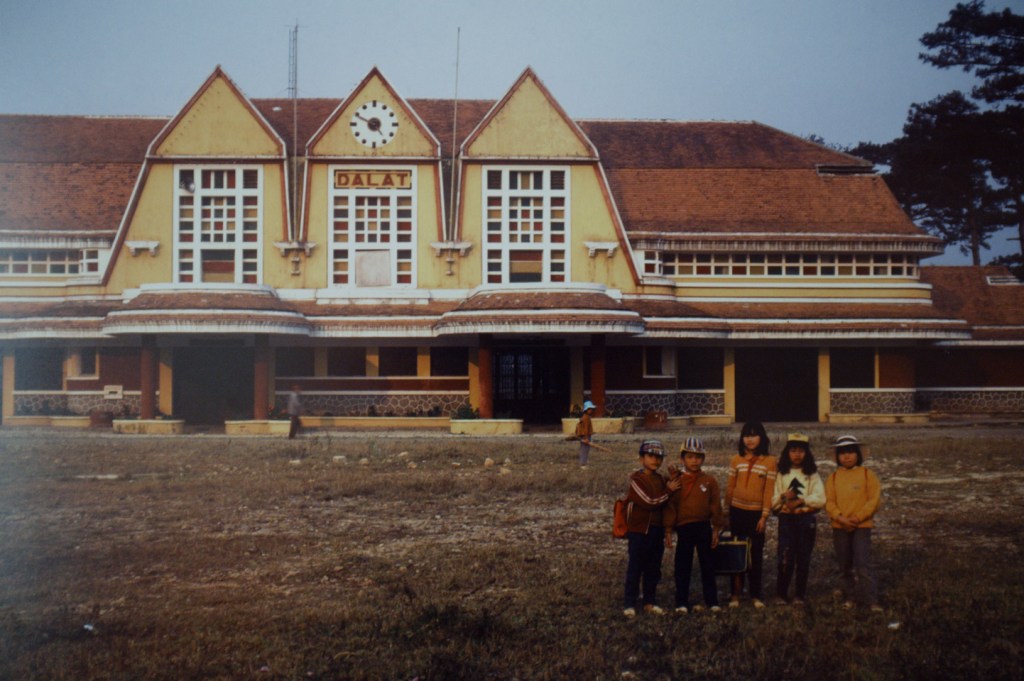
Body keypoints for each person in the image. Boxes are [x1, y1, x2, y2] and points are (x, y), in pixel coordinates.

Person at [663, 436, 724, 614]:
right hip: (684, 528)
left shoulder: (709, 480)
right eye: (690, 457)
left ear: (703, 459)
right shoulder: (677, 481)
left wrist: (717, 528)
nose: (694, 461)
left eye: (698, 457)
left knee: (708, 564)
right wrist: (668, 530)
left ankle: (712, 601)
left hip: (704, 527)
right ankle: (681, 601)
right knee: (683, 565)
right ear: (682, 459)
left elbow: (715, 505)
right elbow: (671, 506)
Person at [622, 439, 681, 618]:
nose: (655, 460)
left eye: (659, 457)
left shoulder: (662, 479)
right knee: (635, 567)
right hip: (639, 531)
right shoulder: (636, 480)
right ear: (641, 459)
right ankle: (629, 603)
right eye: (650, 456)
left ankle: (649, 601)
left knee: (653, 568)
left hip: (656, 531)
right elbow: (649, 502)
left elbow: (674, 494)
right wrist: (669, 490)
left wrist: (675, 476)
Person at [825, 434, 883, 612]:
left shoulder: (868, 475)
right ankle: (850, 597)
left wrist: (858, 518)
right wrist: (840, 518)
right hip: (840, 527)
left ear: (858, 454)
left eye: (851, 452)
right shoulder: (833, 478)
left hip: (861, 527)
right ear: (837, 457)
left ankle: (871, 600)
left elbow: (874, 500)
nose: (847, 457)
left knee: (862, 563)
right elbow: (829, 502)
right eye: (843, 453)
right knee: (845, 565)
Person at [724, 420, 776, 608]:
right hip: (737, 512)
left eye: (754, 435)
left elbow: (768, 491)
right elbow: (730, 488)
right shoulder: (736, 460)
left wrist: (764, 516)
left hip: (756, 515)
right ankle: (735, 594)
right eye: (746, 435)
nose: (750, 439)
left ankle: (755, 595)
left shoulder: (770, 462)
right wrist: (726, 512)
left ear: (761, 437)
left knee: (755, 555)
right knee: (736, 553)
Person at [772, 432, 825, 606]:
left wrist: (803, 500)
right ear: (787, 452)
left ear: (807, 453)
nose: (797, 454)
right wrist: (782, 499)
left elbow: (820, 498)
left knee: (803, 557)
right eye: (793, 450)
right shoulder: (781, 474)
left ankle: (799, 595)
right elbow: (773, 500)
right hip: (787, 520)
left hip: (806, 520)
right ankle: (781, 593)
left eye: (801, 451)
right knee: (786, 557)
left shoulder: (812, 475)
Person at [576, 400, 597, 468]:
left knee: (586, 449)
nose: (591, 410)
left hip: (587, 435)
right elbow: (584, 429)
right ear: (586, 410)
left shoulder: (587, 417)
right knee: (584, 450)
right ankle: (583, 464)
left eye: (592, 409)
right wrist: (585, 438)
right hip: (585, 436)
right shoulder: (585, 418)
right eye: (590, 409)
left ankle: (584, 462)